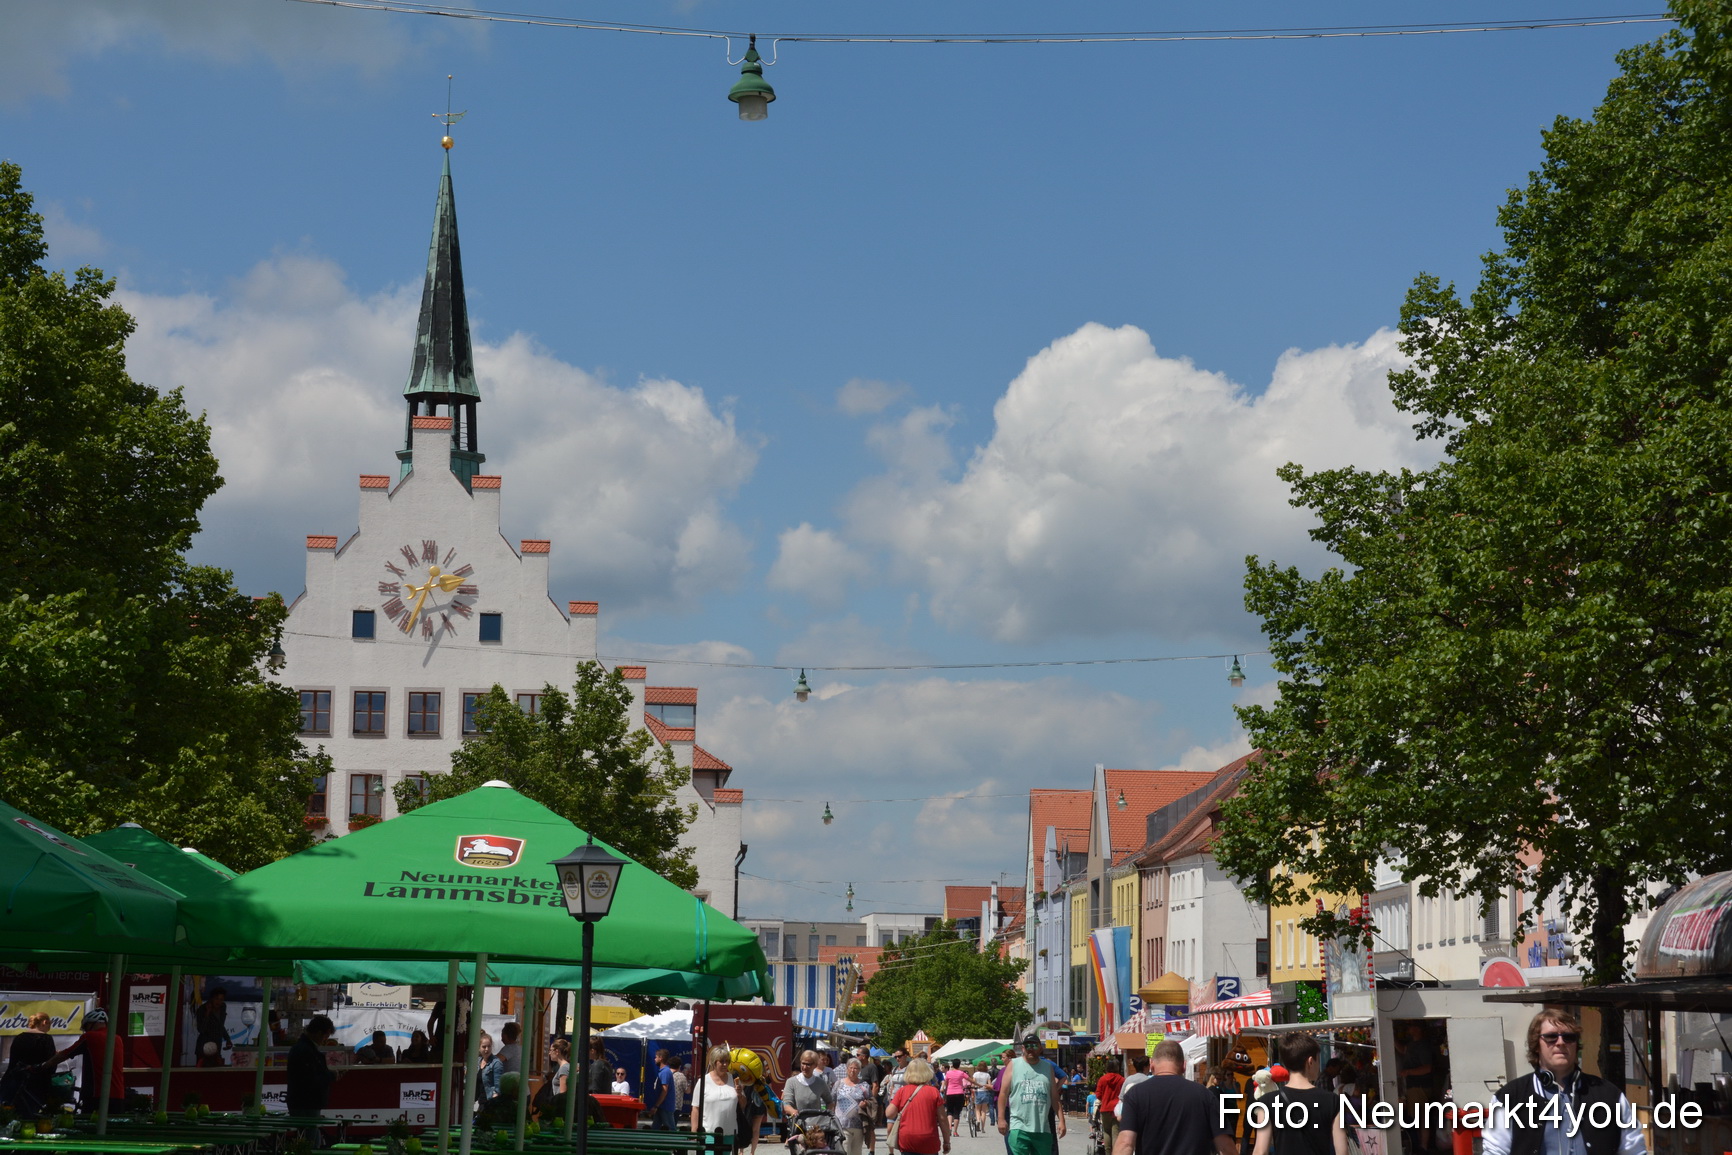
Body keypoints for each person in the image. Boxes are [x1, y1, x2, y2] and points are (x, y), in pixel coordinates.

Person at [1481, 1010, 1644, 1155]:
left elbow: (1634, 1150)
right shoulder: (1511, 1097)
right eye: (1551, 1037)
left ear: (1576, 1045)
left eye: (1569, 1037)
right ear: (1536, 1045)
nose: (1560, 1042)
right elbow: (1495, 1151)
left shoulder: (1609, 1095)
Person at [1115, 1039, 1219, 1155]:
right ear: (1184, 1065)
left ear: (1152, 1065)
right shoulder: (1204, 1095)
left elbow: (1125, 1143)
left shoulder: (1135, 1094)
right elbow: (1224, 1144)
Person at [1250, 1035, 1347, 1155]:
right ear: (1310, 1061)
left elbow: (1260, 1151)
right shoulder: (1333, 1100)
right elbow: (1342, 1151)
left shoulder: (1266, 1101)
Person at [48, 1007, 125, 1115]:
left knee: (89, 1127)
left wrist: (44, 1065)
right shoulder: (117, 1038)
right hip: (118, 1094)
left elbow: (65, 1054)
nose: (86, 1029)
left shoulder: (89, 1037)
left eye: (86, 1026)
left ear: (92, 1023)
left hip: (96, 1094)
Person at [997, 1035, 1065, 1155]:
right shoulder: (1013, 1065)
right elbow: (1003, 1093)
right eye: (1027, 1046)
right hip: (1019, 1127)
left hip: (1042, 1129)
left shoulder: (1048, 1067)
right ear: (1023, 1048)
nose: (1030, 1048)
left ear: (1040, 1048)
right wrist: (1001, 1119)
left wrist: (1062, 1121)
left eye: (1034, 1045)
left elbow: (1055, 1098)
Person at [887, 1058, 949, 1155]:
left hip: (907, 1139)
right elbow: (943, 1119)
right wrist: (946, 1141)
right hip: (928, 1139)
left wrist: (892, 1099)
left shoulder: (902, 1091)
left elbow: (889, 1114)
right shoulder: (933, 1092)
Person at [0, 1011, 56, 1114]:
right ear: (44, 1022)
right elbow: (51, 1064)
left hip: (16, 1083)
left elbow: (13, 1063)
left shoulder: (19, 1038)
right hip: (38, 1084)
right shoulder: (46, 1039)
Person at [286, 1015, 338, 1122]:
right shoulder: (306, 1050)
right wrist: (330, 1075)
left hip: (301, 1100)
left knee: (308, 1134)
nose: (326, 1040)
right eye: (326, 1036)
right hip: (306, 1101)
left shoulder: (302, 1047)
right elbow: (311, 1078)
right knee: (310, 1133)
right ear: (319, 1033)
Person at [1396, 1025, 1434, 1153]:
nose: (1409, 1027)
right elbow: (1403, 1050)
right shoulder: (1412, 1044)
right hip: (1413, 1086)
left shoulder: (1423, 1046)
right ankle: (1420, 1144)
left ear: (1418, 1028)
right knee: (1418, 1116)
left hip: (1420, 1086)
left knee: (1421, 1116)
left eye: (1412, 1025)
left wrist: (1408, 1072)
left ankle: (1423, 1146)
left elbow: (1428, 1068)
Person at [693, 1046, 739, 1142]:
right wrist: (694, 1130)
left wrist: (740, 1095)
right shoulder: (703, 1082)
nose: (725, 1064)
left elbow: (742, 1105)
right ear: (714, 1062)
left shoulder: (734, 1079)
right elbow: (695, 1107)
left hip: (729, 1132)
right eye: (721, 1061)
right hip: (709, 1132)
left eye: (727, 1061)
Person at [835, 1057, 875, 1155]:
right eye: (850, 1067)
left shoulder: (864, 1085)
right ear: (847, 1069)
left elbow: (872, 1101)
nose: (853, 1070)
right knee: (844, 1151)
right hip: (842, 1125)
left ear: (860, 1070)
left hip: (859, 1125)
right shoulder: (839, 1084)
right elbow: (831, 1101)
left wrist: (866, 1104)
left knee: (856, 1152)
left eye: (856, 1068)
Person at [784, 1049, 836, 1123]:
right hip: (798, 1124)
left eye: (808, 1064)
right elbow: (786, 1104)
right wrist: (793, 1112)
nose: (805, 1067)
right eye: (803, 1063)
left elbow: (830, 1102)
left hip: (815, 1126)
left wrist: (825, 1116)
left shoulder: (820, 1083)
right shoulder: (791, 1082)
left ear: (815, 1065)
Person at [194, 987, 230, 1068]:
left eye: (221, 999)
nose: (219, 1002)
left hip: (217, 1047)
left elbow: (220, 1025)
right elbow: (201, 1029)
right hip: (204, 1047)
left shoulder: (223, 1007)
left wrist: (227, 1039)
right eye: (216, 999)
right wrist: (207, 1013)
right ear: (211, 999)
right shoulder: (202, 1009)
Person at [1097, 1057, 1126, 1149]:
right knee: (1116, 1133)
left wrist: (1104, 1098)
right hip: (1117, 1110)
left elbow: (1098, 1094)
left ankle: (1108, 1152)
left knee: (1106, 1131)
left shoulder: (1102, 1079)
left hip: (1105, 1108)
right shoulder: (1121, 1079)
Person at [648, 1048, 678, 1130]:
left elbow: (664, 1091)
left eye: (656, 1057)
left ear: (661, 1058)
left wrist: (656, 1106)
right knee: (655, 1128)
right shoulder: (664, 1071)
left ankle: (676, 1142)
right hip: (662, 1106)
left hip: (665, 1106)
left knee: (671, 1129)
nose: (655, 1059)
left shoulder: (665, 1072)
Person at [941, 1059, 971, 1127]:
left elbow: (946, 1083)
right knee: (957, 1112)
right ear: (959, 1065)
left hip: (950, 1093)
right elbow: (970, 1079)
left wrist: (945, 1091)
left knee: (949, 1111)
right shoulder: (961, 1073)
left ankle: (949, 1127)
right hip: (959, 1093)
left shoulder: (948, 1073)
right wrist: (979, 1085)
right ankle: (955, 1131)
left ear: (952, 1065)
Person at [477, 1032, 504, 1106]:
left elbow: (498, 1087)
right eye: (484, 1046)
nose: (487, 1049)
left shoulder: (496, 1063)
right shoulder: (478, 1061)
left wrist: (493, 1101)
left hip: (490, 1101)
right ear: (479, 1048)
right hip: (480, 1101)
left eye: (489, 1046)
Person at [971, 1061, 993, 1131]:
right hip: (985, 1092)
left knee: (977, 1110)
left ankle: (978, 1121)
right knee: (984, 1111)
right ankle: (983, 1128)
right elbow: (989, 1085)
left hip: (978, 1092)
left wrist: (973, 1090)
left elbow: (973, 1084)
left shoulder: (975, 1074)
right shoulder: (987, 1075)